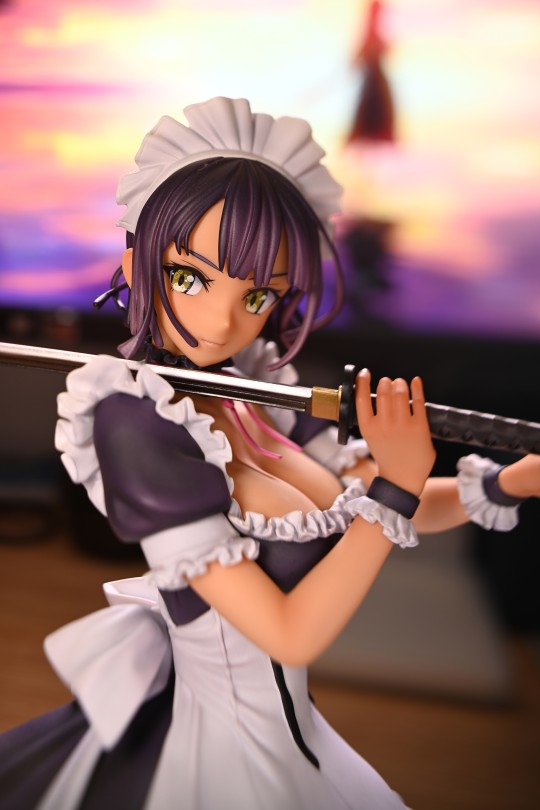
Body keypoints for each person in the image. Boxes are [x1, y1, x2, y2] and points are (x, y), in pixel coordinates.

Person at [0, 97, 538, 810]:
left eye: (256, 296)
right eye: (189, 277)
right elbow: (291, 634)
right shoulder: (137, 425)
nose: (223, 321)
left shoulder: (253, 391)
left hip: (294, 735)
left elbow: (379, 498)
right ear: (134, 263)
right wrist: (398, 487)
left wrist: (513, 481)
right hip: (223, 752)